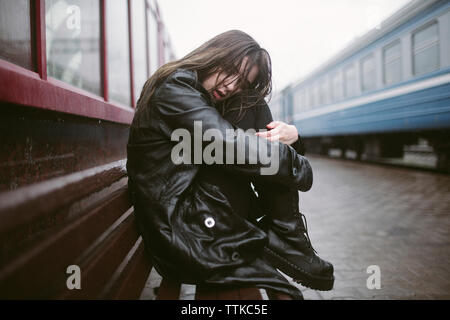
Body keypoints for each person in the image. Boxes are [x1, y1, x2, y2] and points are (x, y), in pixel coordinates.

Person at [126, 30, 334, 299]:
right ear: (214, 55)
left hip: (194, 213)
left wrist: (292, 139)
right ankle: (288, 238)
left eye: (241, 81)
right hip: (179, 227)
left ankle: (288, 237)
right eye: (231, 71)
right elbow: (228, 145)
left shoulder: (191, 91)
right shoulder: (174, 89)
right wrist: (300, 166)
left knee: (250, 105)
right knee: (247, 123)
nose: (232, 85)